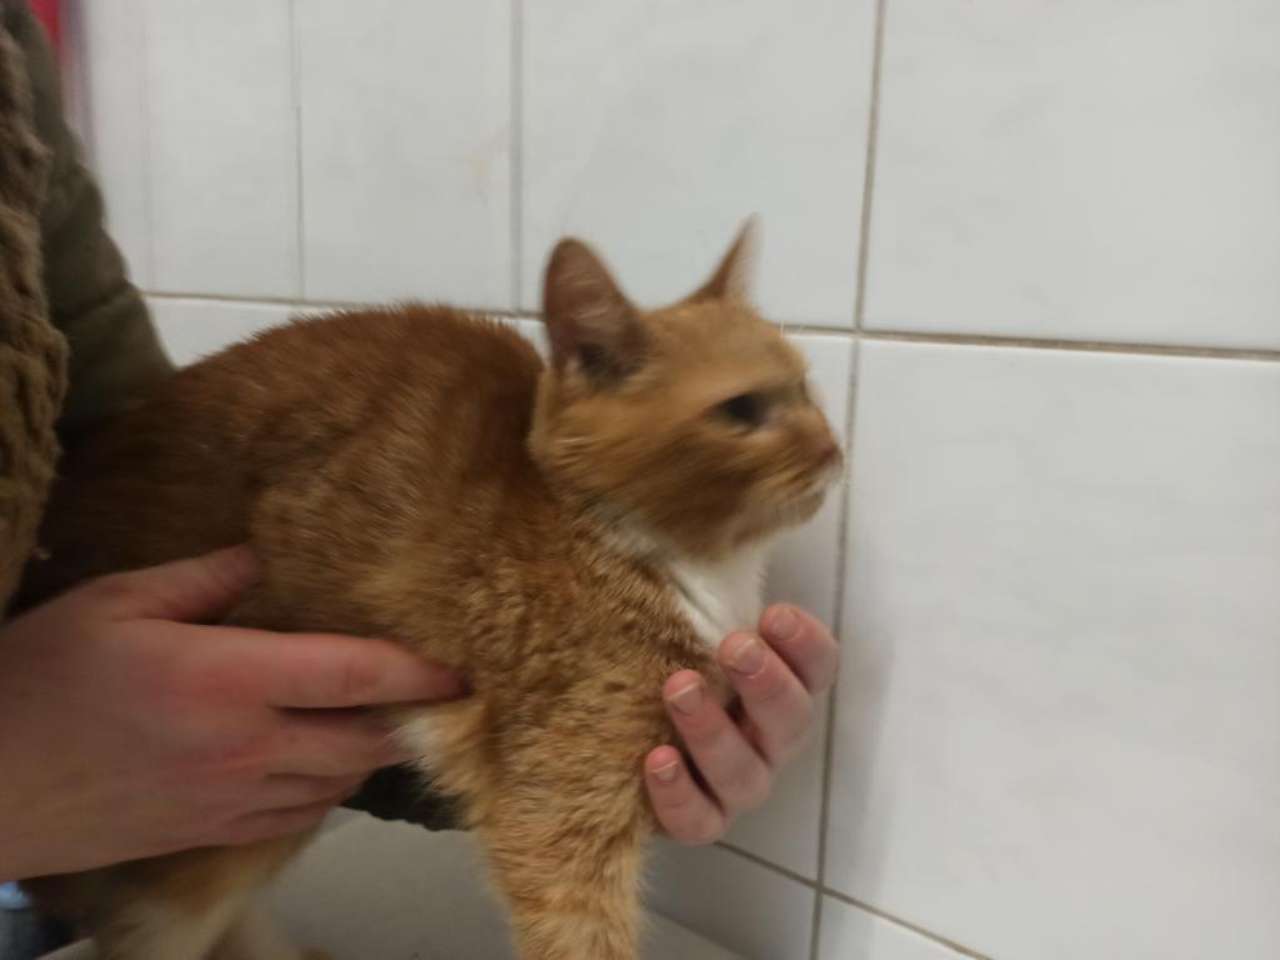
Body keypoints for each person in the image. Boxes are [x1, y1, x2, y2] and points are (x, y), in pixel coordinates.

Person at [0, 0, 837, 939]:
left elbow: (124, 444)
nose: (826, 446)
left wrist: (557, 741)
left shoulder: (12, 80)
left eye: (804, 396)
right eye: (746, 413)